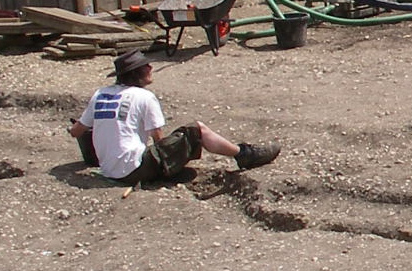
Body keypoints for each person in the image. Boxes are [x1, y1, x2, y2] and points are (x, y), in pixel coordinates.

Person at [70, 50, 279, 184]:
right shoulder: (144, 96)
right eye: (146, 66)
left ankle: (243, 154)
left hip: (108, 170)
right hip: (133, 169)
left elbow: (77, 131)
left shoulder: (100, 94)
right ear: (137, 73)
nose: (151, 68)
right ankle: (244, 155)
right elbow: (159, 141)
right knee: (196, 130)